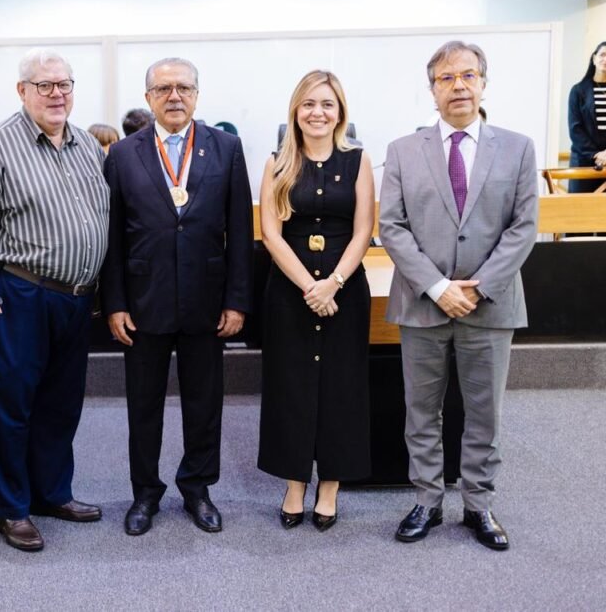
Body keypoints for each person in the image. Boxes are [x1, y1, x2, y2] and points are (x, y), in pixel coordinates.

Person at [0, 48, 109, 552]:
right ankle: (11, 508)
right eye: (45, 85)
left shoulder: (85, 144)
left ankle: (52, 493)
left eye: (65, 84)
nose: (57, 94)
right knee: (11, 406)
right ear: (22, 91)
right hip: (19, 293)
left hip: (76, 298)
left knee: (61, 405)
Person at [380, 41, 538, 551]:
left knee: (483, 412)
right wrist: (439, 287)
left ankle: (478, 503)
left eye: (468, 76)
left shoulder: (517, 147)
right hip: (424, 304)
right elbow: (393, 226)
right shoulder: (404, 150)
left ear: (483, 83)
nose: (458, 86)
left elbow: (523, 226)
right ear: (432, 90)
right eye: (446, 78)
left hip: (490, 305)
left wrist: (479, 286)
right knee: (421, 410)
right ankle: (427, 499)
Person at [101, 57, 253, 536]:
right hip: (143, 302)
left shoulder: (225, 148)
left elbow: (241, 230)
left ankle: (197, 488)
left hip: (208, 303)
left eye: (184, 87)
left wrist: (237, 300)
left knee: (204, 403)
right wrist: (115, 302)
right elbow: (112, 237)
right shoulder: (124, 154)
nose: (174, 96)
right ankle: (145, 492)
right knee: (142, 405)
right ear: (148, 98)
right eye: (163, 89)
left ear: (196, 95)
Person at [256, 71, 374, 532]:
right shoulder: (276, 163)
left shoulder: (359, 160)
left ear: (340, 111)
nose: (317, 112)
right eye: (308, 104)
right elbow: (270, 232)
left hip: (345, 290)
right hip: (290, 291)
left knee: (342, 387)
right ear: (295, 111)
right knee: (291, 386)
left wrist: (334, 283)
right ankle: (294, 484)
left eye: (327, 104)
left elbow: (364, 228)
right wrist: (310, 286)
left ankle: (330, 487)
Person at [567, 41, 606, 191]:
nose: (605, 59)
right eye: (602, 55)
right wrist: (597, 155)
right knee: (581, 211)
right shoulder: (578, 91)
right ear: (594, 58)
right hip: (584, 162)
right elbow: (575, 129)